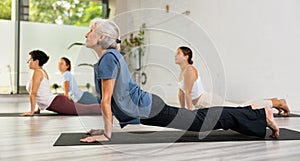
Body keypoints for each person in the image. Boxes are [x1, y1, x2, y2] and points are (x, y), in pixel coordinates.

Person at [79, 18, 279, 143]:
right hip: (148, 106)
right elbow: (115, 99)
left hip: (149, 108)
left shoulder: (108, 59)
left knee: (200, 123)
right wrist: (104, 129)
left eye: (90, 30)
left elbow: (107, 101)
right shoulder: (110, 57)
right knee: (199, 120)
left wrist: (106, 135)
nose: (86, 34)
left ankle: (261, 114)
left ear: (101, 37)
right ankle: (255, 113)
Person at [175, 46, 290, 116]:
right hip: (203, 102)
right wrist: (182, 111)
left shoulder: (189, 70)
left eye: (178, 54)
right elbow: (181, 93)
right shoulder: (182, 71)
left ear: (186, 57)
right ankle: (272, 100)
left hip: (206, 101)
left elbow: (188, 93)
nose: (175, 56)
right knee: (240, 107)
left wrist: (189, 115)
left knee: (241, 109)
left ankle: (277, 103)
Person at [20, 50, 101, 116]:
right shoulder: (40, 72)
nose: (28, 62)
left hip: (57, 103)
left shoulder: (38, 72)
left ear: (36, 61)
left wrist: (31, 111)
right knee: (86, 108)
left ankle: (109, 109)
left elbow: (33, 93)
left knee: (86, 110)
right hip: (56, 101)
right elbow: (41, 92)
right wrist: (37, 109)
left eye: (30, 59)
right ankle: (108, 107)